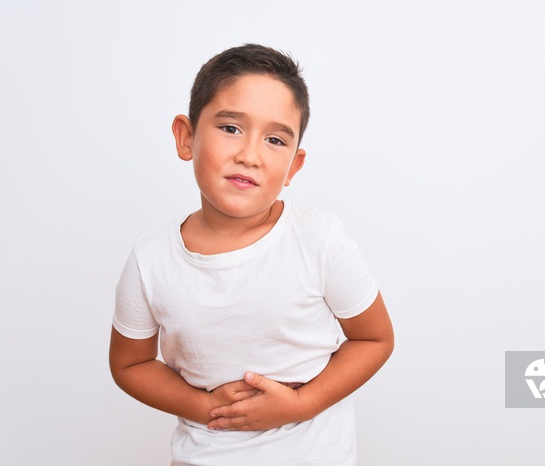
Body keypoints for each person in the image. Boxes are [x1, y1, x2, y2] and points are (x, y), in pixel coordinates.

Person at [109, 44, 394, 466]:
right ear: (186, 137)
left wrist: (301, 404)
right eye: (230, 128)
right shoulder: (152, 258)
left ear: (294, 167)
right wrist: (203, 406)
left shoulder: (318, 238)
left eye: (275, 139)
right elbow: (129, 365)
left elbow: (374, 338)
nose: (250, 155)